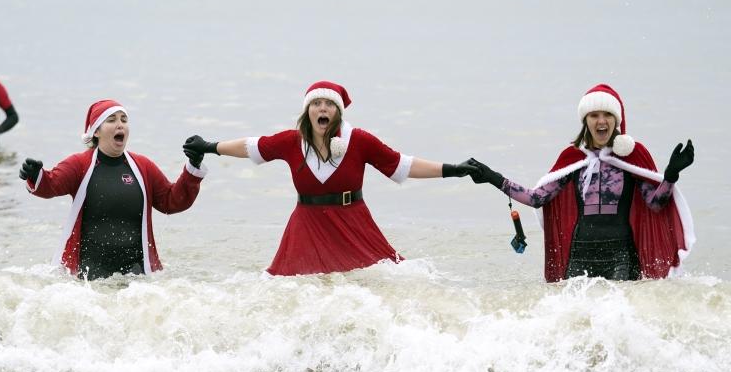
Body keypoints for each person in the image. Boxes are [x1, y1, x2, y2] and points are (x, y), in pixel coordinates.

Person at [182, 80, 475, 276]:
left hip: (352, 222)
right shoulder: (291, 140)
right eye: (316, 104)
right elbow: (250, 146)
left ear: (337, 113)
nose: (322, 108)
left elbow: (403, 165)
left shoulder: (359, 140)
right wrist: (209, 147)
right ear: (308, 111)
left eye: (329, 104)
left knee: (382, 278)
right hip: (307, 224)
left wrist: (454, 169)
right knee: (291, 285)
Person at [466, 84, 695, 282]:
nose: (601, 121)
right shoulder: (573, 157)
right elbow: (536, 198)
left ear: (616, 119)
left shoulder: (631, 156)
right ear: (586, 120)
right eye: (594, 115)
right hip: (580, 252)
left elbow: (655, 204)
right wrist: (492, 177)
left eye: (607, 114)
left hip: (621, 254)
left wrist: (671, 176)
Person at [19, 99, 207, 279]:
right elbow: (52, 185)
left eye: (124, 120)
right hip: (88, 279)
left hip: (138, 277)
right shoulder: (79, 164)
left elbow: (171, 201)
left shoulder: (143, 166)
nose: (120, 125)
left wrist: (193, 167)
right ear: (96, 131)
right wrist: (35, 176)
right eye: (111, 120)